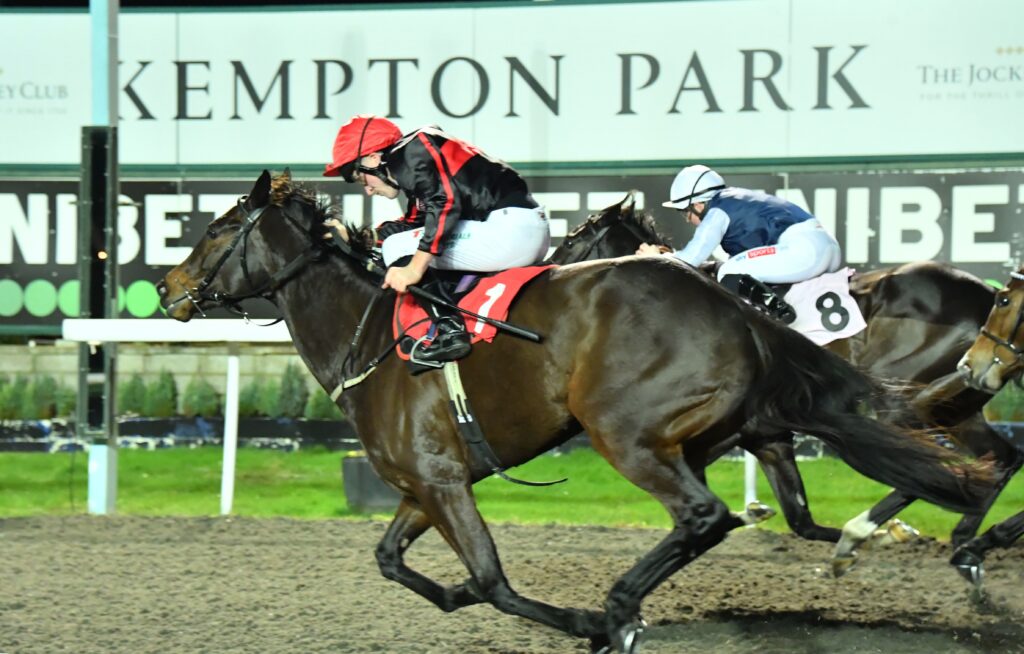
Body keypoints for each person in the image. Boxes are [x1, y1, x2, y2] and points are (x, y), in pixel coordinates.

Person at [323, 114, 550, 363]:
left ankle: (449, 330)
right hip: (518, 229)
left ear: (374, 158)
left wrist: (413, 269)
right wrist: (354, 237)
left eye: (360, 178)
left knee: (398, 248)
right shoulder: (416, 161)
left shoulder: (413, 152)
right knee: (399, 243)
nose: (367, 190)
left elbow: (445, 204)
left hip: (511, 232)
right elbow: (412, 225)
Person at [637, 164, 841, 323]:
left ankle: (778, 317)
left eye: (684, 212)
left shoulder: (717, 211)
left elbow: (691, 259)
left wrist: (655, 259)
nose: (687, 220)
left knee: (730, 270)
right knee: (736, 269)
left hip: (805, 251)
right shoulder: (734, 199)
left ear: (698, 205)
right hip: (825, 247)